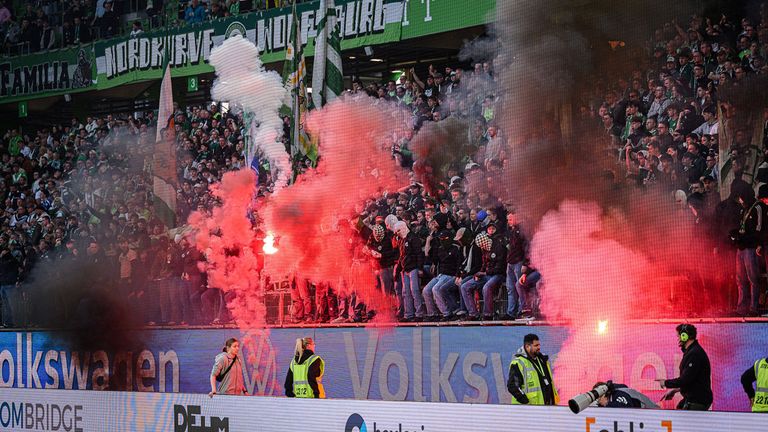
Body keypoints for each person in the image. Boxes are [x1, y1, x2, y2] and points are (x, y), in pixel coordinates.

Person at [655, 324, 712, 410]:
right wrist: (675, 390)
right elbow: (692, 381)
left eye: (679, 336)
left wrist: (665, 383)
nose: (678, 339)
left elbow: (685, 379)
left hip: (697, 401)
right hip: (694, 399)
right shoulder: (692, 352)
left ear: (685, 336)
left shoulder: (694, 354)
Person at [507, 333, 558, 405]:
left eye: (539, 345)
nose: (539, 347)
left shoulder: (543, 360)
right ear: (527, 346)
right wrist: (525, 401)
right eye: (536, 345)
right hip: (528, 410)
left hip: (546, 406)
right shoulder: (518, 363)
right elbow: (512, 386)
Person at [593, 381, 659, 408]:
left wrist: (607, 404)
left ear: (605, 395)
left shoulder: (618, 394)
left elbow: (627, 409)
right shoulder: (607, 398)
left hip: (650, 408)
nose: (598, 401)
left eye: (599, 398)